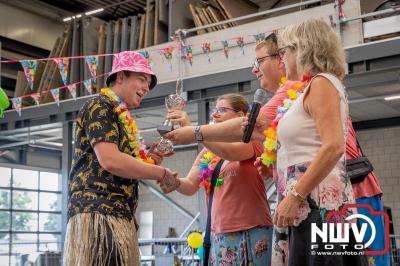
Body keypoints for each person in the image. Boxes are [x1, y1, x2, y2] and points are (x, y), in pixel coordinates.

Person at [63, 51, 180, 266]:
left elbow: (127, 165)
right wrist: (161, 173)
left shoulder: (119, 115)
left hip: (119, 214)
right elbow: (111, 161)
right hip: (99, 212)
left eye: (149, 83)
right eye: (142, 79)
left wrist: (152, 158)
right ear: (120, 77)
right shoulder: (100, 106)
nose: (146, 87)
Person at [272, 18, 367, 265]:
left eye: (285, 51)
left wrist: (294, 196)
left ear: (303, 48)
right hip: (309, 199)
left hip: (316, 201)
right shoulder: (312, 87)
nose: (282, 59)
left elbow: (333, 145)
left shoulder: (322, 83)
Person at [164, 93, 274, 265]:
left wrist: (193, 130)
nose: (215, 114)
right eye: (214, 110)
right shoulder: (207, 152)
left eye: (222, 110)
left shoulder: (252, 141)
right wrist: (172, 180)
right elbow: (190, 185)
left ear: (240, 116)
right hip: (220, 233)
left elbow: (228, 152)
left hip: (253, 230)